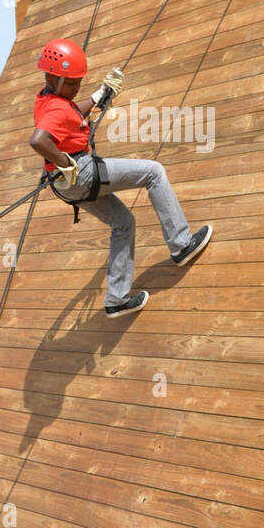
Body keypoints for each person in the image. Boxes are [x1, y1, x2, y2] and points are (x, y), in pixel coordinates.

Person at [28, 38, 212, 318]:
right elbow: (38, 140)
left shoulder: (48, 99)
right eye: (72, 83)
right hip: (80, 172)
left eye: (79, 83)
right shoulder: (55, 107)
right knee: (154, 172)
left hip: (65, 186)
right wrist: (64, 161)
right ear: (53, 76)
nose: (76, 88)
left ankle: (116, 299)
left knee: (123, 222)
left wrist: (101, 94)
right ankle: (181, 244)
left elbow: (71, 115)